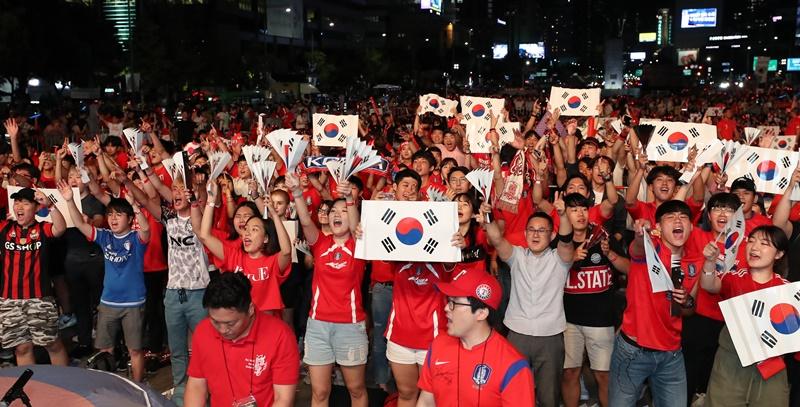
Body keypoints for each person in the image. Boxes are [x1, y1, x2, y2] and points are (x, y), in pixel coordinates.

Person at [484, 192, 575, 407]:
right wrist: (488, 217)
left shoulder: (560, 260)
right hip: (517, 335)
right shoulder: (517, 257)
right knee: (513, 394)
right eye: (532, 230)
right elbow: (497, 240)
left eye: (542, 230)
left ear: (551, 235)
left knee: (549, 396)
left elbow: (567, 243)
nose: (536, 235)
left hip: (550, 338)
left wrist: (562, 215)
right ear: (525, 234)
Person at [286, 172, 369, 407]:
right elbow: (304, 221)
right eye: (333, 212)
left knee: (356, 390)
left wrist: (349, 200)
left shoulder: (359, 245)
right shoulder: (321, 243)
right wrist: (297, 193)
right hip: (318, 326)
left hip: (350, 326)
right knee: (320, 393)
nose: (337, 215)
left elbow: (354, 225)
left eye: (343, 212)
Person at [608, 200, 701, 407]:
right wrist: (641, 236)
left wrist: (686, 300)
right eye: (670, 217)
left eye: (683, 217)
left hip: (672, 354)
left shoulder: (695, 262)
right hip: (633, 351)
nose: (678, 220)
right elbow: (637, 249)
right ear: (658, 227)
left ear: (691, 227)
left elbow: (688, 311)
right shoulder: (649, 250)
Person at [60, 182, 150, 382]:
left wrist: (135, 206)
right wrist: (69, 201)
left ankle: (137, 388)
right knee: (104, 350)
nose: (113, 218)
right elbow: (81, 225)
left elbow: (145, 228)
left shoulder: (137, 239)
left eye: (118, 214)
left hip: (133, 303)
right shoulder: (104, 236)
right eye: (110, 215)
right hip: (108, 302)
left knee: (134, 350)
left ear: (129, 219)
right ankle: (107, 389)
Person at [416, 268, 535, 407]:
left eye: (454, 302)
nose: (446, 308)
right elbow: (426, 401)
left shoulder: (512, 367)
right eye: (448, 300)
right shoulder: (439, 344)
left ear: (481, 314)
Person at [700, 225, 791, 406]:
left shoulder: (786, 290)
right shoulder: (735, 278)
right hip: (731, 363)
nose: (754, 247)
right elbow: (709, 285)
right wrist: (709, 262)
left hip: (771, 366)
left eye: (764, 243)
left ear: (778, 254)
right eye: (751, 241)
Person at [184, 272, 299, 407]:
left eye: (230, 323)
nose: (222, 330)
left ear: (250, 309)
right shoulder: (203, 331)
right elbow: (197, 386)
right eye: (215, 322)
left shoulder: (280, 335)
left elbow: (283, 399)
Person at [0, 187, 69, 366]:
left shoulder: (42, 228)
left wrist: (51, 206)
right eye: (16, 202)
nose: (19, 206)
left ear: (37, 208)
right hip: (9, 301)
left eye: (25, 202)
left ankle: (64, 386)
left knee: (52, 345)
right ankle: (31, 389)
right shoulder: (4, 228)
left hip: (40, 299)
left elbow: (60, 228)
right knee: (22, 348)